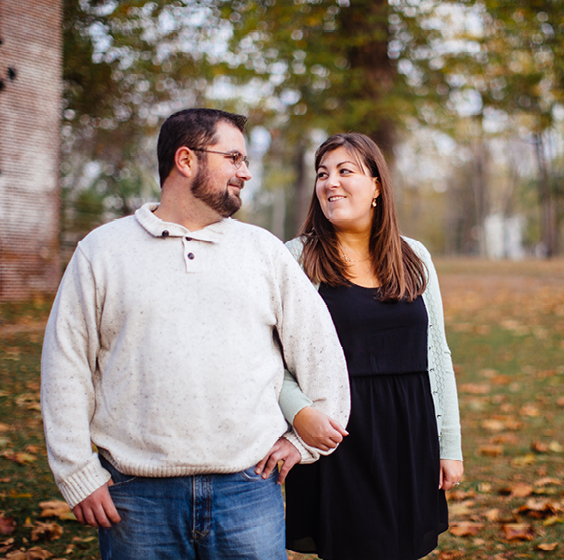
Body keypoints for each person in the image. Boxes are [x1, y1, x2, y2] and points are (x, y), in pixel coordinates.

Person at [40, 108, 350, 560]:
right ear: (186, 160)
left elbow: (318, 344)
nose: (245, 172)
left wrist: (304, 441)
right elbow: (65, 365)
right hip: (135, 496)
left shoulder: (261, 250)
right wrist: (77, 473)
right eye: (234, 158)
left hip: (248, 489)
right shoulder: (103, 252)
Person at [279, 133, 464, 560]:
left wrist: (448, 445)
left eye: (346, 171)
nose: (331, 183)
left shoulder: (414, 256)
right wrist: (299, 412)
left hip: (410, 433)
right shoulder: (298, 258)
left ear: (377, 185)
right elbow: (273, 359)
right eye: (322, 174)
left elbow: (437, 353)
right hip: (341, 437)